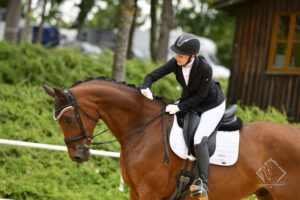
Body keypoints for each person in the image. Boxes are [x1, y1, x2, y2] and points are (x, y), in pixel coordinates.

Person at [141, 33, 225, 199]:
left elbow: (201, 97)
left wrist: (179, 107)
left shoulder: (205, 69)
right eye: (176, 54)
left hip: (211, 105)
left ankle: (203, 185)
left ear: (192, 56)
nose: (176, 57)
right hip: (191, 101)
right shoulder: (176, 63)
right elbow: (153, 75)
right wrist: (146, 87)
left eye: (180, 55)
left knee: (199, 138)